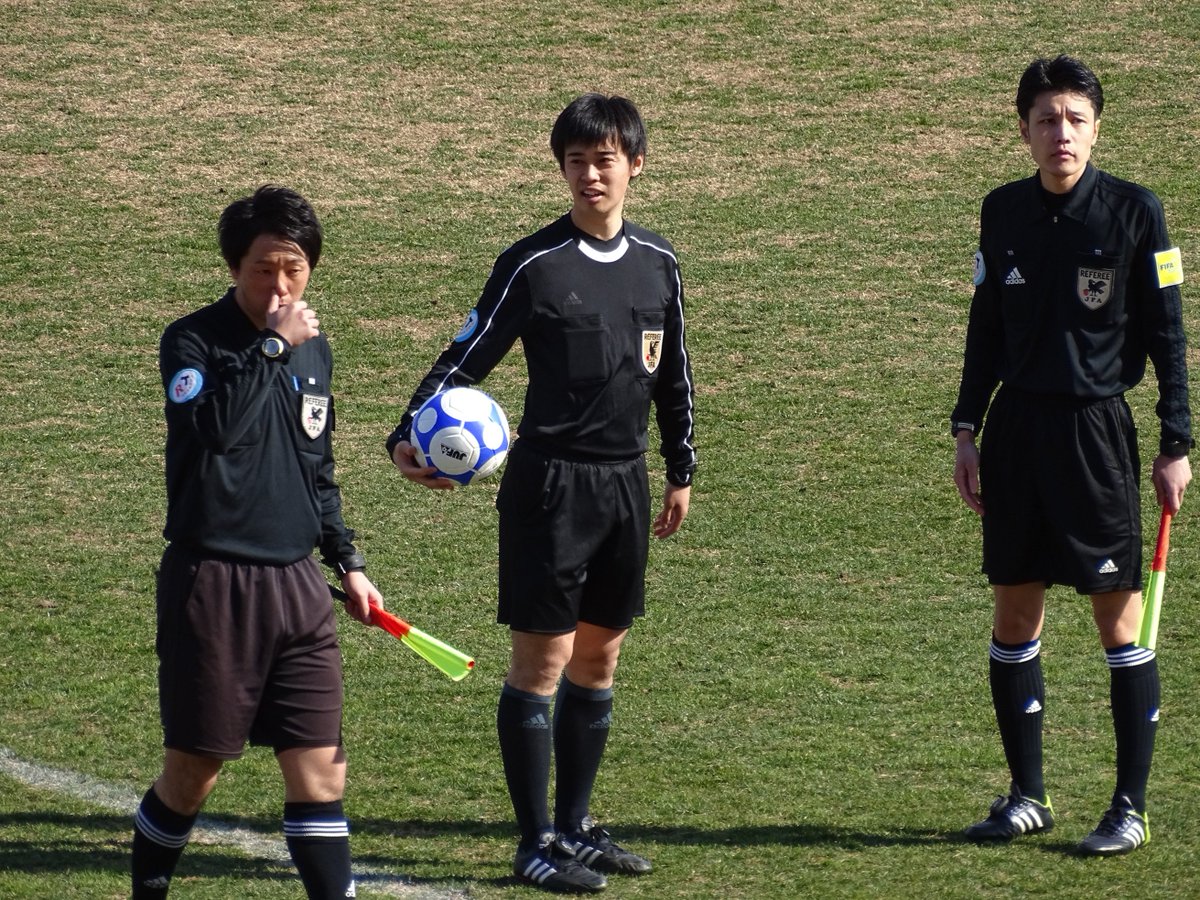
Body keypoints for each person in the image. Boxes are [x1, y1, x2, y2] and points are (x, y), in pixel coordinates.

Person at [388, 93, 696, 893]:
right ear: (561, 168)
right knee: (543, 663)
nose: (592, 174)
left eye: (605, 160)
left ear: (635, 164)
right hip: (549, 487)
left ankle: (577, 826)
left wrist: (680, 469)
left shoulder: (659, 262)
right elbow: (465, 357)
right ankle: (533, 843)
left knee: (600, 656)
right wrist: (403, 432)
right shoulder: (533, 263)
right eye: (576, 161)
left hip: (626, 483)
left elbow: (674, 377)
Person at [951, 56, 1191, 856]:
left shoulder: (1135, 213)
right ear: (1023, 130)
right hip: (1016, 433)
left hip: (1097, 435)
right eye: (1047, 119)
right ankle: (1028, 795)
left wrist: (1175, 445)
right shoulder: (1002, 212)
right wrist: (965, 428)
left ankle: (1129, 807)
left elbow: (1168, 334)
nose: (1062, 133)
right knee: (1014, 611)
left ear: (1096, 127)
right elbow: (986, 326)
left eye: (1075, 119)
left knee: (1118, 623)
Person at [132, 185, 383, 898]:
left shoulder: (315, 354)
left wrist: (348, 562)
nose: (279, 285)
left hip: (299, 588)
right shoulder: (192, 341)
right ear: (235, 266)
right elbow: (213, 431)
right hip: (213, 584)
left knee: (320, 771)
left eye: (294, 269)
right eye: (264, 269)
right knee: (193, 773)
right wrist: (273, 347)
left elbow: (317, 468)